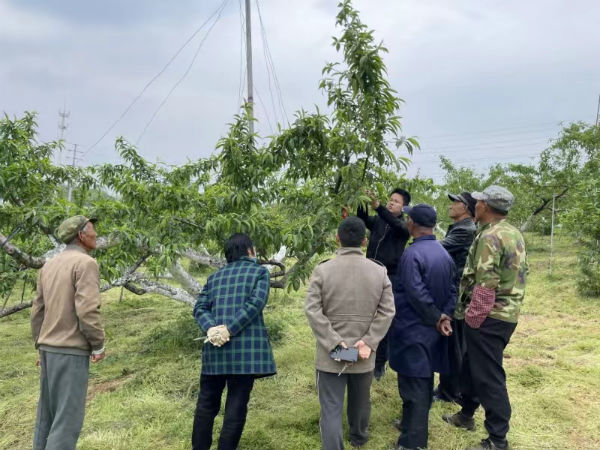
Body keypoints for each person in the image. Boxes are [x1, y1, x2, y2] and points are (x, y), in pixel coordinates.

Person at [443, 186, 528, 450]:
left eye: (478, 201)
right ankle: (466, 414)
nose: (475, 204)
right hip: (505, 314)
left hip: (489, 316)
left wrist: (473, 319)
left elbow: (486, 283)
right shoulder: (512, 232)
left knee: (489, 376)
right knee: (472, 366)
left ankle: (497, 438)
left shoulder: (490, 236)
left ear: (486, 206)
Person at [305, 216, 395, 450]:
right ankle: (359, 438)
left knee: (331, 408)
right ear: (365, 241)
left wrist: (335, 343)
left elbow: (312, 310)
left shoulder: (322, 270)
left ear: (338, 239)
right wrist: (368, 342)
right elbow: (388, 311)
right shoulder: (379, 272)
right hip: (363, 353)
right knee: (361, 401)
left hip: (331, 353)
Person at [192, 233, 276, 450]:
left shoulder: (214, 277)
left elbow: (199, 308)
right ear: (249, 250)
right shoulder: (260, 273)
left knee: (206, 404)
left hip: (215, 351)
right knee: (236, 407)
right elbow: (254, 304)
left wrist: (211, 329)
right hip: (245, 355)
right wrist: (229, 330)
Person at [31, 215, 106, 450]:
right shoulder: (86, 263)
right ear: (81, 235)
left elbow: (37, 311)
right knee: (66, 421)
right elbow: (87, 310)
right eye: (92, 229)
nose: (96, 234)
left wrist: (40, 345)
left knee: (46, 417)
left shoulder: (49, 265)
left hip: (48, 350)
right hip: (71, 351)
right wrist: (98, 344)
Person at [388, 204, 456, 450]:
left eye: (408, 218)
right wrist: (445, 316)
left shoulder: (412, 255)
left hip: (413, 331)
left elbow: (416, 293)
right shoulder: (443, 253)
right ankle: (409, 424)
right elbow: (453, 290)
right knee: (423, 381)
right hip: (432, 332)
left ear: (412, 223)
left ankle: (412, 443)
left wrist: (437, 317)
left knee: (413, 387)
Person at [357, 187, 411, 379]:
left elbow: (394, 223)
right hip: (370, 273)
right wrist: (362, 200)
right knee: (365, 313)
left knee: (384, 319)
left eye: (396, 201)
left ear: (404, 207)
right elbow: (363, 219)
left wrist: (378, 206)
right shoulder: (380, 220)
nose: (391, 202)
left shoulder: (404, 226)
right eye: (390, 199)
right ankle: (361, 350)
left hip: (390, 276)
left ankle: (380, 363)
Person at [434, 192, 477, 403]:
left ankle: (451, 391)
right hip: (454, 290)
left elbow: (437, 248)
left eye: (456, 202)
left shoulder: (465, 230)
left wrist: (421, 239)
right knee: (451, 340)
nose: (451, 205)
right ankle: (448, 387)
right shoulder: (461, 227)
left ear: (466, 208)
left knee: (453, 341)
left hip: (458, 294)